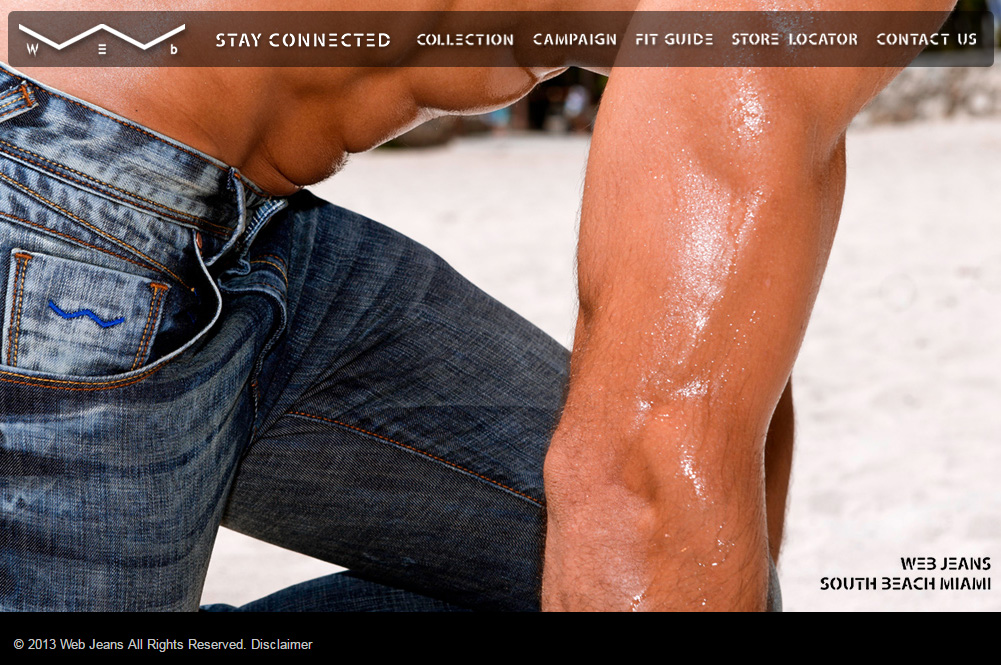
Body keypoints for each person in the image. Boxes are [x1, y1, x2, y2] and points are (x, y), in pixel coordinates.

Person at [0, 0, 956, 612]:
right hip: (64, 197)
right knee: (665, 538)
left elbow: (734, 337)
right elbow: (640, 479)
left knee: (708, 562)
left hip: (260, 226)